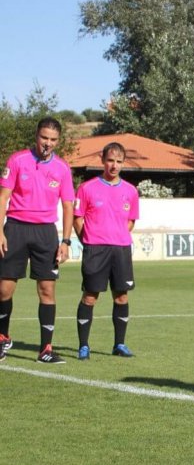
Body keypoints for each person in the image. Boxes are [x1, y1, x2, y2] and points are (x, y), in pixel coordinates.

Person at [0, 117, 75, 364]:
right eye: (44, 138)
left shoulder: (63, 168)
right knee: (4, 289)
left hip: (45, 233)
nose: (48, 143)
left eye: (53, 140)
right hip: (16, 229)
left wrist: (65, 241)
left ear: (58, 141)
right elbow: (3, 197)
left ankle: (45, 349)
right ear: (36, 136)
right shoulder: (17, 160)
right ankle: (2, 337)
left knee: (47, 289)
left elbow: (67, 206)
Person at [73, 142, 140, 360]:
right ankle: (84, 345)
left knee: (121, 296)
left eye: (118, 162)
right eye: (110, 160)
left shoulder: (130, 191)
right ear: (102, 160)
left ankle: (119, 344)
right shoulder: (87, 188)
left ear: (123, 163)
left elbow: (130, 222)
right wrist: (90, 240)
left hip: (121, 250)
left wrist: (117, 236)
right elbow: (78, 219)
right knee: (90, 296)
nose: (114, 166)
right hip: (96, 250)